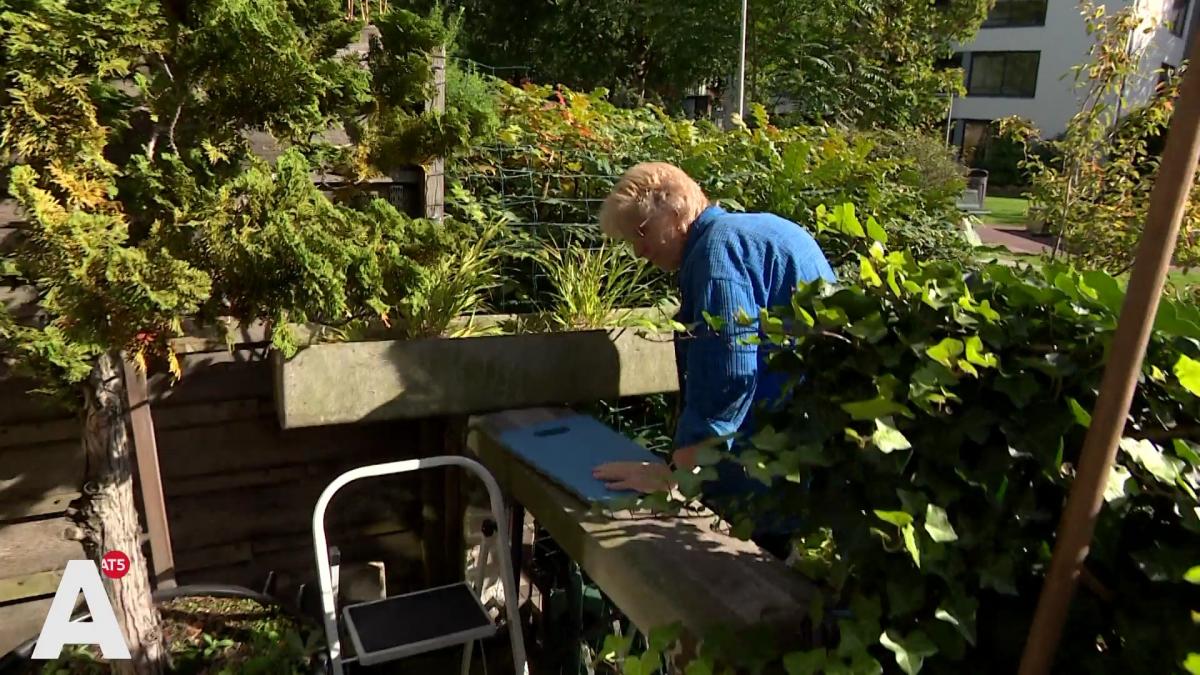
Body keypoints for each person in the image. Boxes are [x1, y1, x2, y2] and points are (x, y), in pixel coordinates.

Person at [590, 162, 836, 558]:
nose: (638, 251)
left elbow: (729, 373)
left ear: (676, 209)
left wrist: (672, 475)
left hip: (763, 480)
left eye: (641, 232)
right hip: (804, 461)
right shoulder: (759, 230)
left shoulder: (716, 254)